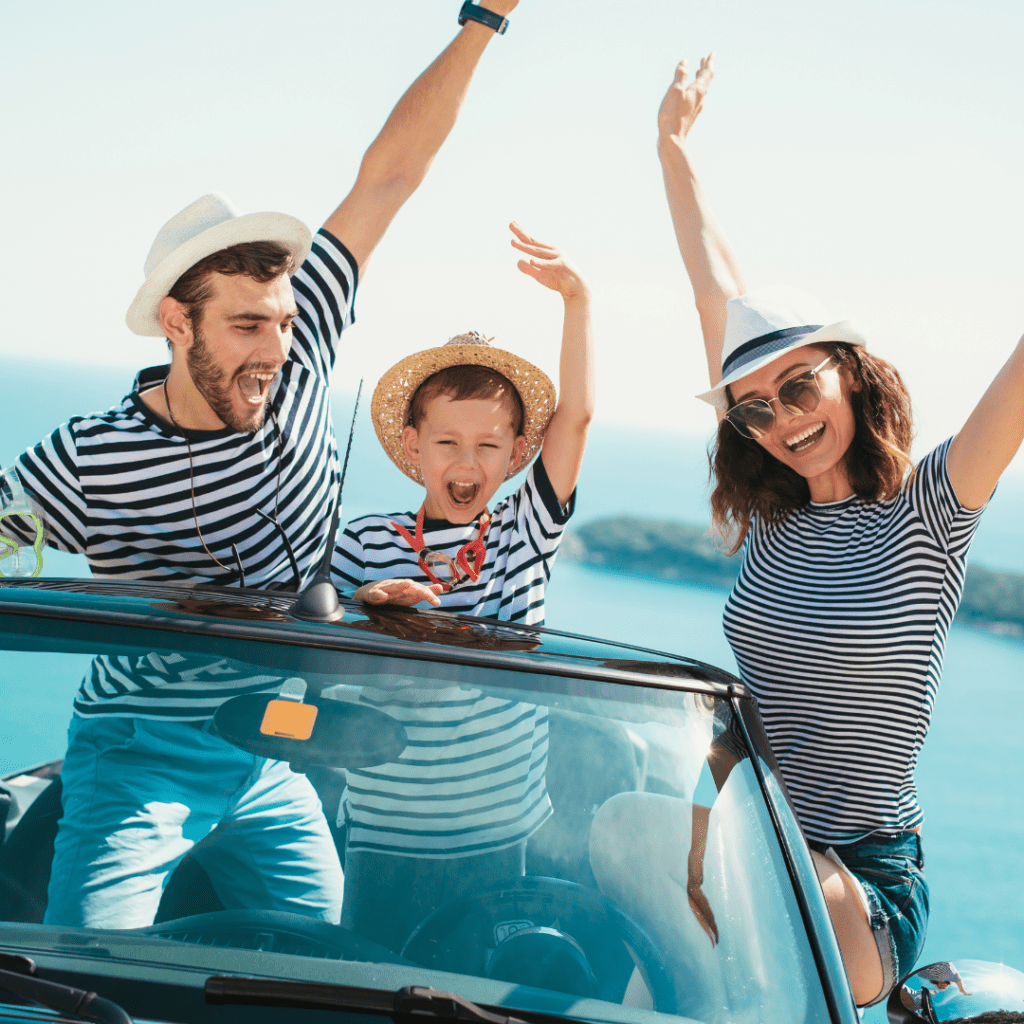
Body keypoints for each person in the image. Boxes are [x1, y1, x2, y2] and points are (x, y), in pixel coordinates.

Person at [0, 2, 522, 930]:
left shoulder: (303, 338)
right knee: (83, 972)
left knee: (329, 974)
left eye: (280, 323)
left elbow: (391, 173)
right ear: (177, 322)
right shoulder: (89, 459)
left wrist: (485, 18)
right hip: (139, 751)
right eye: (246, 326)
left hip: (274, 747)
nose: (276, 349)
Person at [643, 53, 1024, 1007]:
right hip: (749, 840)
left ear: (851, 373)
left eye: (800, 385)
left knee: (763, 915)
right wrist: (672, 147)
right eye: (755, 409)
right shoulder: (771, 519)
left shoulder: (925, 512)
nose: (782, 416)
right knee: (609, 837)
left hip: (856, 883)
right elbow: (714, 300)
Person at [329, 224, 594, 950]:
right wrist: (367, 607)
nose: (466, 460)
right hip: (382, 836)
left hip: (500, 838)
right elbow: (315, 651)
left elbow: (576, 416)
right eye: (447, 441)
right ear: (413, 447)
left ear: (515, 454)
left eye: (487, 445)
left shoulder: (524, 531)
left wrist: (577, 300)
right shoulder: (361, 543)